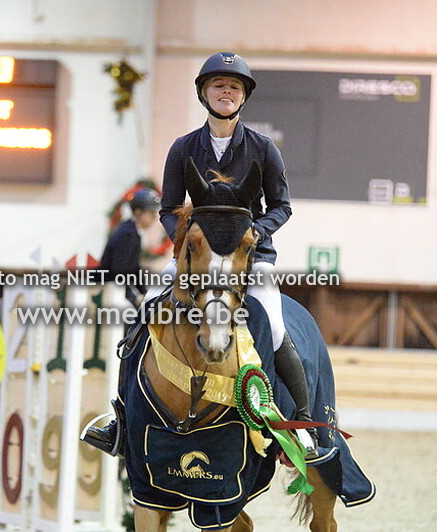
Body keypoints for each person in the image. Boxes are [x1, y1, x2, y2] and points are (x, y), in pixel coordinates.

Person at [83, 52, 316, 457]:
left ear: (243, 98)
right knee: (143, 315)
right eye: (218, 86)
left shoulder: (263, 148)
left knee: (274, 324)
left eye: (234, 87)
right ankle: (121, 419)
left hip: (249, 257)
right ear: (204, 94)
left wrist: (255, 233)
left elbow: (282, 206)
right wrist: (185, 242)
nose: (226, 92)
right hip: (196, 257)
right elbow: (169, 207)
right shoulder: (183, 147)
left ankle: (304, 423)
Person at [97, 188, 161, 309]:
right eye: (151, 213)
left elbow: (135, 270)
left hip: (117, 289)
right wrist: (133, 297)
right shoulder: (127, 234)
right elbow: (119, 272)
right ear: (138, 212)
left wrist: (145, 295)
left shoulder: (133, 232)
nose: (154, 217)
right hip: (108, 290)